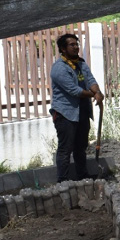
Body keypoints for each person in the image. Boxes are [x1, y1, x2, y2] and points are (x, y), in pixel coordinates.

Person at [49, 33, 104, 182]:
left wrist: (97, 91)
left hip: (82, 112)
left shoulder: (81, 64)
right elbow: (74, 91)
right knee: (65, 149)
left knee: (80, 147)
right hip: (65, 114)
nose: (76, 47)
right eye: (72, 45)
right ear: (63, 48)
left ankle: (83, 176)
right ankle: (63, 181)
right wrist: (94, 95)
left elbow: (90, 79)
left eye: (76, 44)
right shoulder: (59, 68)